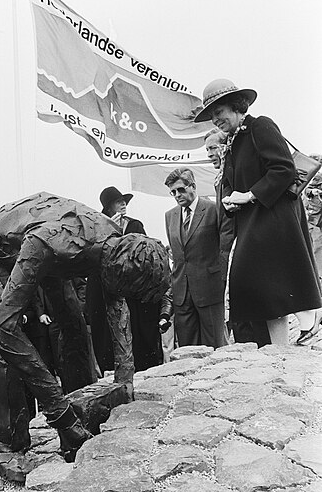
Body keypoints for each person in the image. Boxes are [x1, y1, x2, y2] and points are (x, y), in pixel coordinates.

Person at [0, 191, 169, 482]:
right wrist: (60, 416)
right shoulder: (46, 244)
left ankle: (82, 409)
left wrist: (124, 380)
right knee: (6, 344)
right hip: (2, 248)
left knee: (75, 326)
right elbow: (6, 328)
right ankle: (2, 445)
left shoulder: (115, 243)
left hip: (55, 254)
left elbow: (117, 307)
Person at [194, 78, 322, 345]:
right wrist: (230, 201)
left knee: (259, 281)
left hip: (275, 218)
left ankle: (308, 316)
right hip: (253, 220)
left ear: (236, 106)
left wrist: (249, 195)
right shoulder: (231, 143)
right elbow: (233, 187)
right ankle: (281, 347)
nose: (215, 120)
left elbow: (284, 169)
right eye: (212, 117)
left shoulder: (259, 125)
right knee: (260, 288)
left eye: (219, 113)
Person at [87, 186, 166, 373]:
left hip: (134, 292)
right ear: (108, 207)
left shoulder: (135, 225)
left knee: (140, 337)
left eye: (124, 201)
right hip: (108, 291)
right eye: (118, 201)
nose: (123, 204)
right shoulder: (98, 226)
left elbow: (144, 254)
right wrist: (110, 230)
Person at [205, 128, 271, 348]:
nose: (209, 154)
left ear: (225, 148)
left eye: (213, 148)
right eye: (207, 149)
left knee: (252, 309)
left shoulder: (235, 171)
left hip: (244, 245)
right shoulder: (220, 177)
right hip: (229, 252)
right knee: (238, 313)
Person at [164, 167, 227, 349]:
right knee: (187, 350)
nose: (177, 195)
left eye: (181, 190)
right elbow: (179, 256)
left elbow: (224, 248)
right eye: (173, 192)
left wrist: (221, 281)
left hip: (210, 289)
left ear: (193, 186)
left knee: (214, 347)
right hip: (182, 294)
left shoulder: (213, 210)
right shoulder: (170, 216)